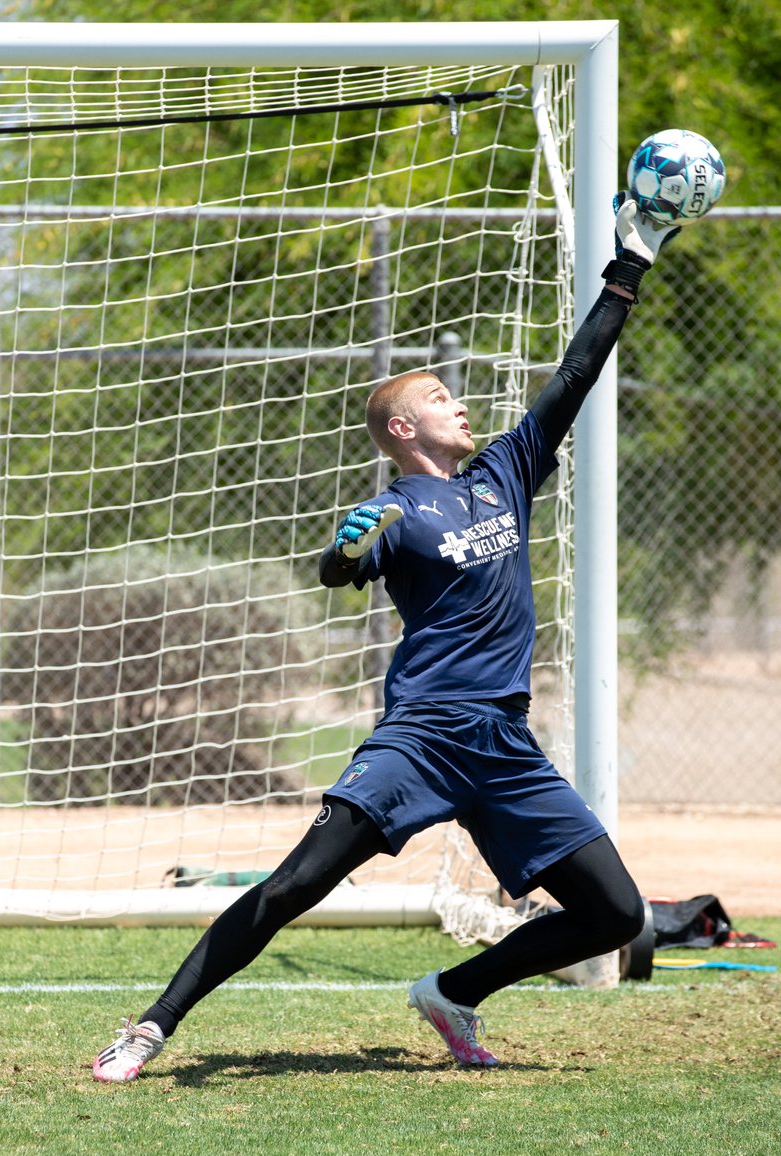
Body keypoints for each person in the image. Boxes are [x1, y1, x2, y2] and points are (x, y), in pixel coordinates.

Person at [93, 194, 676, 1082]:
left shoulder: (505, 474)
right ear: (404, 428)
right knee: (295, 886)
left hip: (503, 744)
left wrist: (629, 264)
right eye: (441, 399)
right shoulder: (398, 510)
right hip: (424, 736)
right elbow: (337, 568)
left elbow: (575, 376)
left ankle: (453, 992)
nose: (461, 406)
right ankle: (151, 1027)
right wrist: (344, 548)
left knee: (616, 912)